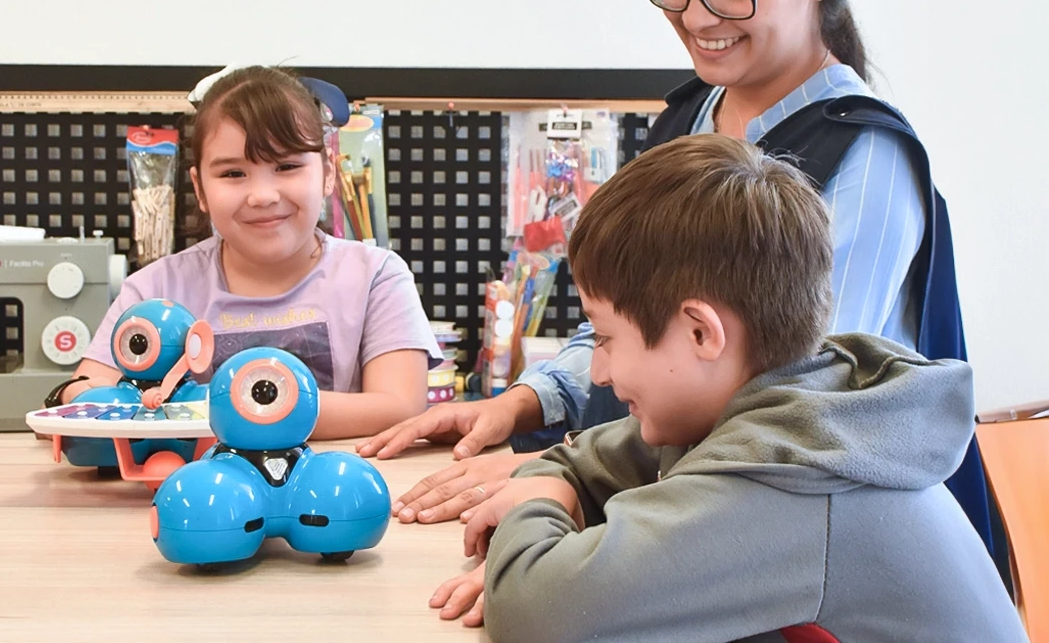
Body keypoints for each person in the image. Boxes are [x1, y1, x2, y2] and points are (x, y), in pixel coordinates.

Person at [358, 0, 984, 544]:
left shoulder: (869, 159)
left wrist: (566, 472)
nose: (695, 15)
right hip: (661, 503)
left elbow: (795, 413)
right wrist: (528, 400)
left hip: (785, 541)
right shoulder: (689, 118)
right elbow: (634, 313)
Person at [429, 134, 1025, 641]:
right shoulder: (791, 411)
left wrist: (535, 508)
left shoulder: (793, 479)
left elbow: (538, 612)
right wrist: (554, 487)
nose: (602, 372)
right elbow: (579, 459)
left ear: (700, 333)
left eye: (607, 339)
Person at [48, 65, 442, 439]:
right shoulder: (154, 288)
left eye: (286, 166)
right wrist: (86, 397)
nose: (263, 196)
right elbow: (82, 393)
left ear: (327, 173)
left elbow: (400, 406)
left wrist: (233, 408)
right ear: (200, 189)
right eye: (233, 174)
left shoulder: (375, 276)